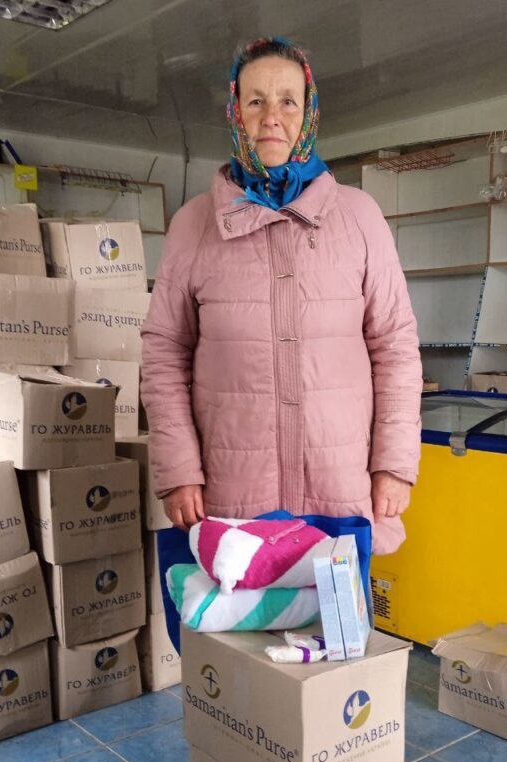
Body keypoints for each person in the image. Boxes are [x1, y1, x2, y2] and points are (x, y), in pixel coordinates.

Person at [140, 36, 422, 556]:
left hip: (338, 492)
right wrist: (178, 469)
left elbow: (396, 347)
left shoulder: (359, 218)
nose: (272, 116)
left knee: (331, 638)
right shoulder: (192, 226)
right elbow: (163, 356)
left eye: (288, 100)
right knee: (236, 639)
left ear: (308, 112)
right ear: (235, 111)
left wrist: (394, 464)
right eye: (256, 101)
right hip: (233, 497)